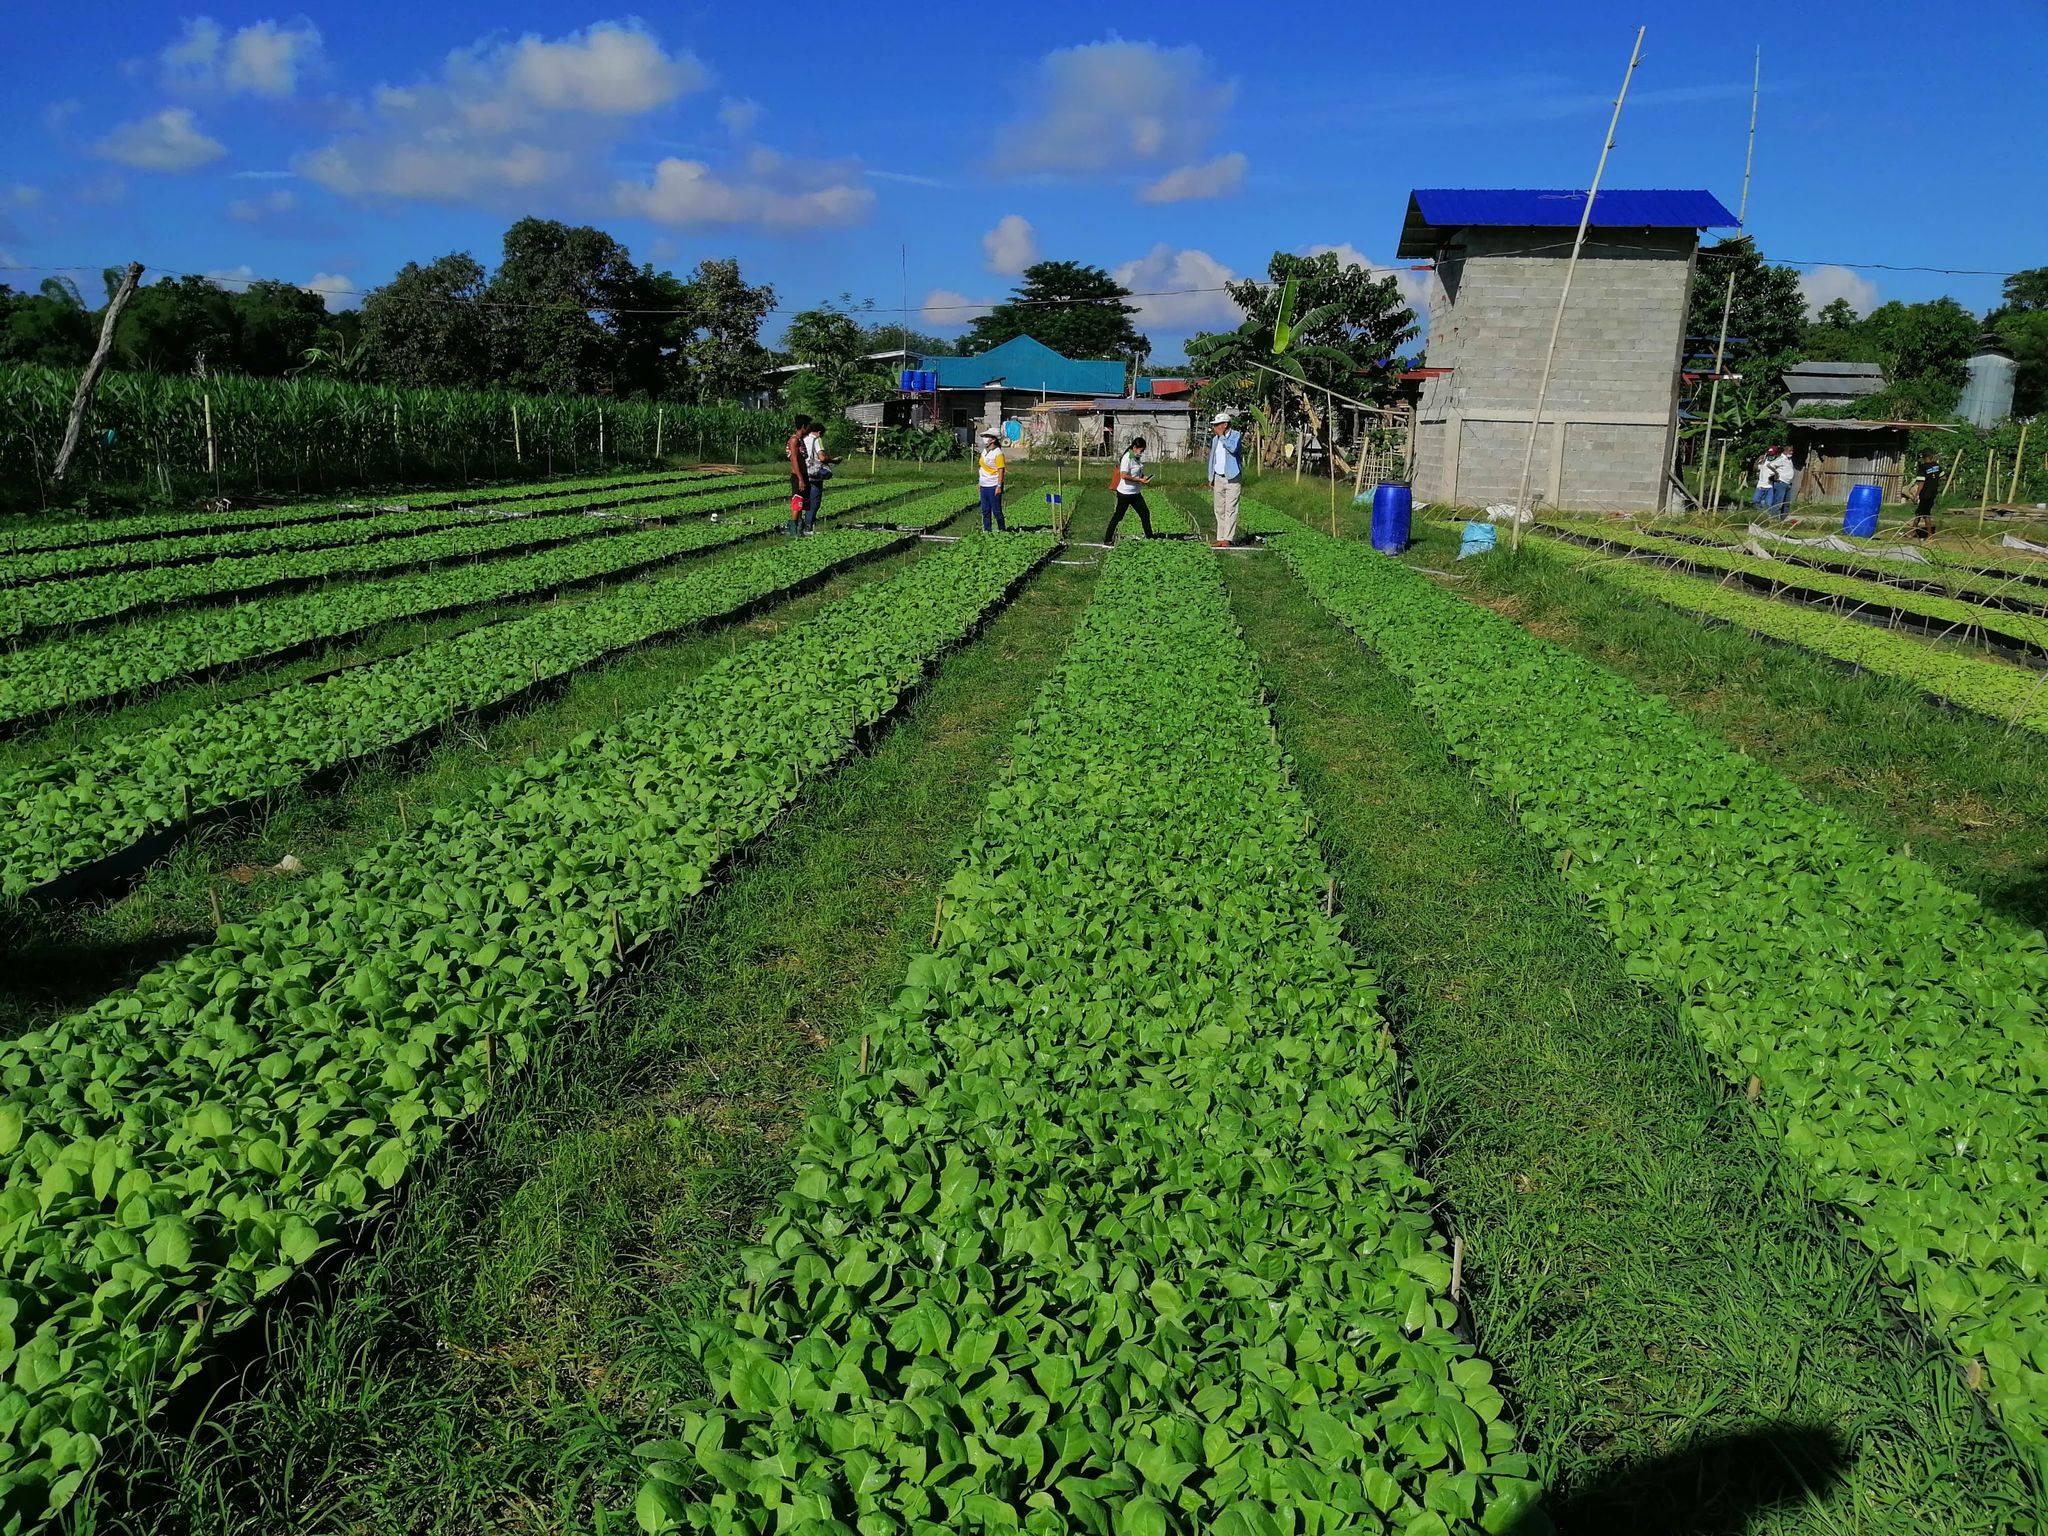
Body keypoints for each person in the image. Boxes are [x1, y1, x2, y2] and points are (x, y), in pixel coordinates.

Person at [1104, 436, 1155, 541]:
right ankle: (1107, 539)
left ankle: (1150, 537)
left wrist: (1143, 477)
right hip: (1125, 494)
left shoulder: (1135, 457)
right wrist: (1139, 480)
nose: (1142, 452)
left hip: (1135, 493)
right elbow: (1123, 476)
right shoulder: (1127, 458)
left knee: (1145, 513)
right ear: (1135, 447)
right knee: (1118, 516)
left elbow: (1136, 471)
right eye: (1141, 450)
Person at [1207, 411, 1242, 547]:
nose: (1215, 428)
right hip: (1218, 477)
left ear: (1225, 425)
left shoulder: (1235, 436)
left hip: (1233, 477)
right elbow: (1212, 458)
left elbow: (1233, 449)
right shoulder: (1215, 440)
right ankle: (1220, 537)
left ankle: (1228, 538)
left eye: (1217, 425)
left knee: (1231, 508)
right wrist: (1211, 476)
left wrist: (1223, 437)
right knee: (1219, 508)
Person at [799, 421, 835, 534]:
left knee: (803, 500)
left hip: (803, 473)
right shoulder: (817, 440)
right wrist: (833, 461)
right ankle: (808, 526)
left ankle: (799, 524)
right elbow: (822, 458)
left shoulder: (803, 439)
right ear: (819, 432)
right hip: (814, 474)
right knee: (814, 501)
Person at [784, 414, 814, 537]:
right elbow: (794, 460)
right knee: (797, 502)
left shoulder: (800, 440)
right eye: (808, 426)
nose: (809, 429)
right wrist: (801, 479)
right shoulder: (794, 440)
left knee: (802, 504)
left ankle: (799, 530)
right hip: (797, 477)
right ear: (803, 426)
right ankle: (793, 529)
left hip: (803, 476)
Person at [1907, 450, 1945, 539]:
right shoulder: (1937, 466)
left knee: (1923, 514)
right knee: (1920, 513)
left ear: (1924, 458)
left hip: (1924, 494)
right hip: (1933, 493)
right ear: (1932, 456)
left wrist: (1916, 495)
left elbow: (1921, 483)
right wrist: (1934, 481)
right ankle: (1913, 532)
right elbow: (1943, 477)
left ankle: (1929, 535)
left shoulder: (1923, 467)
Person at [976, 429, 1007, 531]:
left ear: (993, 439)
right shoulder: (985, 451)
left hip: (993, 485)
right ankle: (987, 530)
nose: (985, 439)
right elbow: (981, 468)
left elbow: (1001, 470)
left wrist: (999, 486)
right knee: (985, 510)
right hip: (984, 484)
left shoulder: (998, 453)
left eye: (987, 436)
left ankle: (1002, 530)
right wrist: (980, 482)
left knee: (996, 510)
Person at [1768, 445, 1795, 514]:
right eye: (1790, 451)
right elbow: (1770, 465)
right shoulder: (1781, 459)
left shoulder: (1789, 459)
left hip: (1788, 483)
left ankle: (1783, 519)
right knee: (1778, 503)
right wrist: (1776, 473)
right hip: (1781, 483)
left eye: (1792, 450)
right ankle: (1774, 519)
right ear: (1785, 451)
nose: (1792, 452)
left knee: (1786, 503)